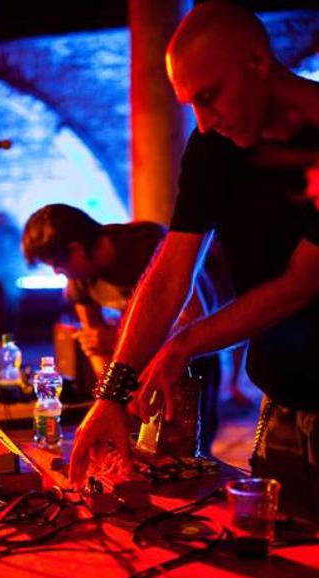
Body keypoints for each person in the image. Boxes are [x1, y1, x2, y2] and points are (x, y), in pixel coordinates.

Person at [69, 2, 319, 519]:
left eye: (209, 97)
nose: (203, 123)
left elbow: (302, 282)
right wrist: (111, 394)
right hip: (283, 404)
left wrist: (183, 343)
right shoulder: (214, 147)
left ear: (256, 62)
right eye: (191, 105)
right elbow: (171, 268)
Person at [22, 203, 221, 451]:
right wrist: (112, 396)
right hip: (141, 361)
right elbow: (95, 343)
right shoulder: (79, 278)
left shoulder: (147, 244)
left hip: (193, 354)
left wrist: (117, 340)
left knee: (192, 446)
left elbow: (193, 320)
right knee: (139, 446)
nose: (57, 272)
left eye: (56, 264)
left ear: (76, 249)